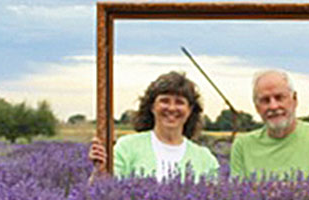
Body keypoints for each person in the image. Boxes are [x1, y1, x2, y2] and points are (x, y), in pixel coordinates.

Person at [89, 71, 220, 181]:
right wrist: (99, 171)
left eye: (179, 102)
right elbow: (103, 195)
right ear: (152, 106)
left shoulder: (205, 160)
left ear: (190, 110)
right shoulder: (126, 148)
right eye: (164, 101)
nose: (172, 108)